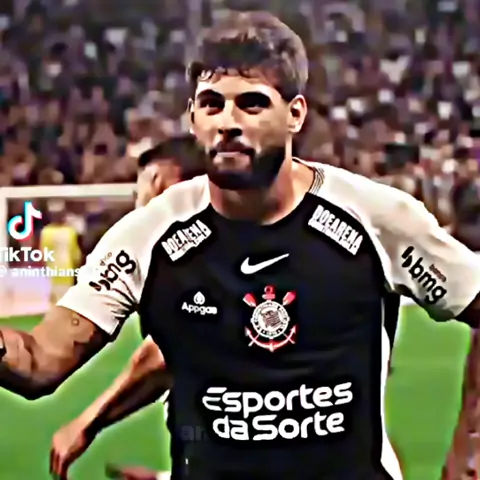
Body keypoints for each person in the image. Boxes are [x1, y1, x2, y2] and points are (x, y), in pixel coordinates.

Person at [1, 11, 480, 479]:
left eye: (251, 104)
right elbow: (38, 361)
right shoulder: (149, 235)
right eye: (211, 104)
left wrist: (469, 455)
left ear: (295, 114)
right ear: (192, 117)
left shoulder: (376, 218)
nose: (227, 121)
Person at [50, 137, 203, 480]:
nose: (138, 206)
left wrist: (87, 422)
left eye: (140, 190)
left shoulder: (194, 254)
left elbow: (162, 355)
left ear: (162, 182)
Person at [39, 201, 82, 305]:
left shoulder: (46, 232)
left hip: (52, 271)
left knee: (54, 300)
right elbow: (76, 255)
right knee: (66, 301)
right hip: (67, 270)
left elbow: (43, 254)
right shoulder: (70, 231)